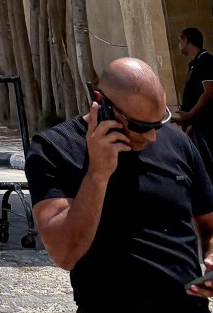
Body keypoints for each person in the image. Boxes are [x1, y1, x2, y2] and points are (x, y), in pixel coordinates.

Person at [28, 56, 213, 311]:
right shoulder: (56, 149)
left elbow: (209, 223)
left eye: (160, 121)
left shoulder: (177, 142)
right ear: (101, 104)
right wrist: (97, 174)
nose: (152, 136)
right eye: (139, 126)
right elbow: (64, 254)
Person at [176, 28, 213, 164]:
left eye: (180, 40)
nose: (179, 44)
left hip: (206, 125)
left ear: (186, 40)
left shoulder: (206, 61)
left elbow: (209, 91)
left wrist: (190, 114)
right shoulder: (195, 63)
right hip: (197, 125)